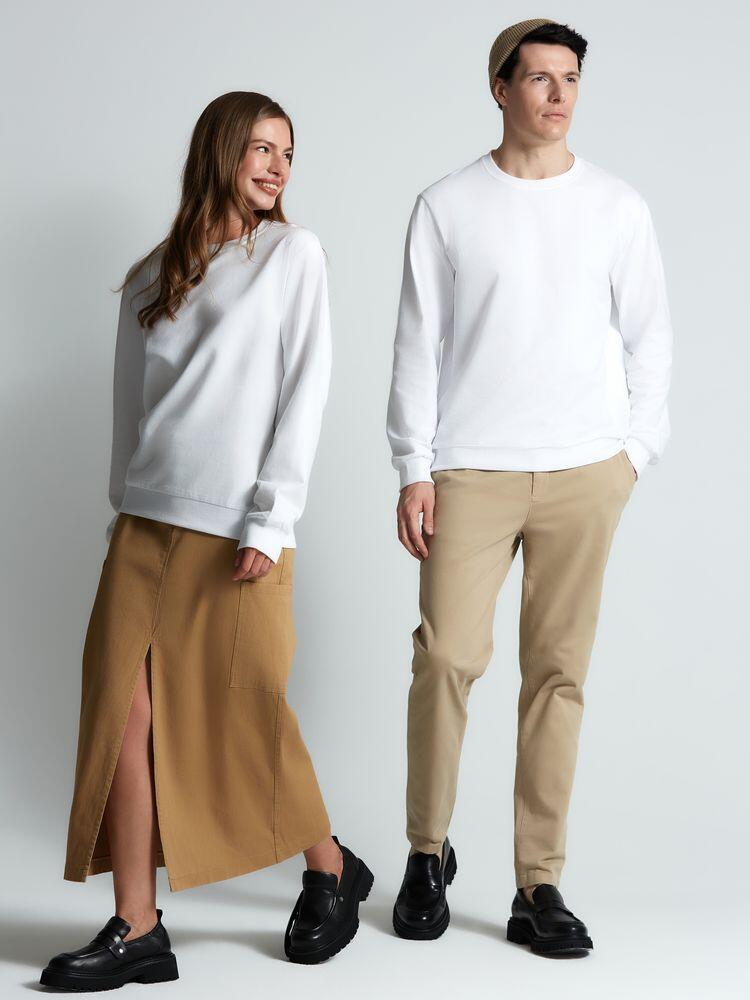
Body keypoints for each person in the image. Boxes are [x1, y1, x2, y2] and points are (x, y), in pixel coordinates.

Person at [40, 91, 373, 990]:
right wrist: (123, 509)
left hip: (235, 528)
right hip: (145, 527)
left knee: (243, 711)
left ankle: (332, 866)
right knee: (122, 719)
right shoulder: (153, 274)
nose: (277, 166)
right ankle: (138, 927)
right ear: (219, 151)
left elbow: (305, 389)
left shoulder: (291, 255)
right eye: (261, 148)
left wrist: (272, 517)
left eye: (288, 153)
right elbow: (130, 404)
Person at [387, 19, 673, 956]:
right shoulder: (448, 205)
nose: (558, 95)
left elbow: (651, 337)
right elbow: (416, 345)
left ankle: (537, 883)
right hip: (472, 468)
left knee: (558, 676)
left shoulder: (617, 206)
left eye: (571, 78)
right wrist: (413, 467)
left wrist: (634, 454)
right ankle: (426, 852)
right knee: (445, 658)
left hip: (586, 471)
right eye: (541, 77)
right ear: (500, 88)